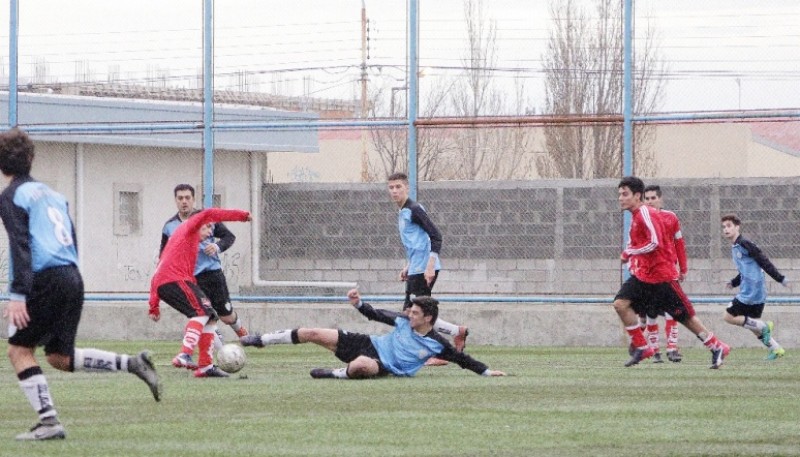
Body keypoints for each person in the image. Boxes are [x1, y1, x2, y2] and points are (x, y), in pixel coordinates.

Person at [0, 128, 161, 441]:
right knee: (60, 357)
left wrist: (17, 294)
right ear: (31, 158)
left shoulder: (10, 197)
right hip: (71, 275)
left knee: (19, 350)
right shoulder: (53, 195)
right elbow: (70, 238)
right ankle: (132, 364)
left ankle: (49, 423)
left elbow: (20, 245)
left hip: (44, 278)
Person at [240, 288, 506, 379]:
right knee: (313, 332)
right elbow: (375, 314)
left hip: (382, 364)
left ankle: (333, 374)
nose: (409, 314)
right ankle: (262, 340)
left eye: (415, 313)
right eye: (410, 311)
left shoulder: (438, 344)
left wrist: (486, 371)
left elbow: (463, 360)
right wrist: (358, 303)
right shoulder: (403, 320)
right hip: (368, 343)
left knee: (361, 366)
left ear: (428, 319)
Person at [613, 176, 730, 369]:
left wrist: (629, 252)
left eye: (625, 194)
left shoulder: (644, 214)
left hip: (662, 278)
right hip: (645, 276)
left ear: (637, 195)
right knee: (620, 304)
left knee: (685, 318)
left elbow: (654, 242)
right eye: (619, 194)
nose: (620, 198)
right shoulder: (637, 216)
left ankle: (717, 346)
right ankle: (643, 347)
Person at [149, 207, 251, 378]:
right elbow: (209, 213)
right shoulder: (190, 227)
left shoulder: (184, 241)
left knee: (210, 316)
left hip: (170, 282)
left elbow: (157, 272)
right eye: (207, 227)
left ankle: (205, 367)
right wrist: (242, 216)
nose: (210, 231)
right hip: (173, 280)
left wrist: (154, 306)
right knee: (201, 312)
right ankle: (185, 354)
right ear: (197, 224)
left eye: (212, 228)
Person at [387, 172, 468, 365]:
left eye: (398, 187)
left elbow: (435, 235)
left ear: (406, 187)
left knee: (416, 314)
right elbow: (417, 242)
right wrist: (408, 265)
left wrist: (430, 266)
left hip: (424, 269)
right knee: (410, 313)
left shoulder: (414, 209)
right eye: (391, 187)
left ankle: (434, 353)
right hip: (416, 268)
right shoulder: (403, 211)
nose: (394, 191)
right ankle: (457, 332)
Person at [160, 184, 249, 350]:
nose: (184, 201)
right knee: (204, 315)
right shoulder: (169, 226)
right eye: (180, 198)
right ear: (176, 201)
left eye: (187, 198)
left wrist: (217, 247)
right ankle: (220, 350)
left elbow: (229, 237)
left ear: (193, 200)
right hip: (190, 278)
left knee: (226, 316)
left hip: (212, 274)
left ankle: (243, 334)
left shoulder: (206, 219)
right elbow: (164, 254)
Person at [721, 214, 788, 360]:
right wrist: (733, 282)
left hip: (751, 291)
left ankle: (765, 325)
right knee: (753, 326)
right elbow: (745, 271)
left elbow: (763, 261)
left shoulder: (745, 243)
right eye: (724, 227)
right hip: (755, 291)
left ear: (737, 227)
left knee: (728, 316)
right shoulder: (736, 246)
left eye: (729, 226)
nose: (726, 229)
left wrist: (779, 278)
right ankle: (776, 349)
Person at [640, 185, 688, 363]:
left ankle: (672, 348)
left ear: (660, 199)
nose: (650, 201)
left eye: (653, 198)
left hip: (669, 272)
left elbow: (679, 244)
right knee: (651, 312)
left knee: (672, 310)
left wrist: (682, 268)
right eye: (647, 198)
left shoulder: (671, 218)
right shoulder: (641, 219)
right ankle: (654, 350)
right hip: (649, 274)